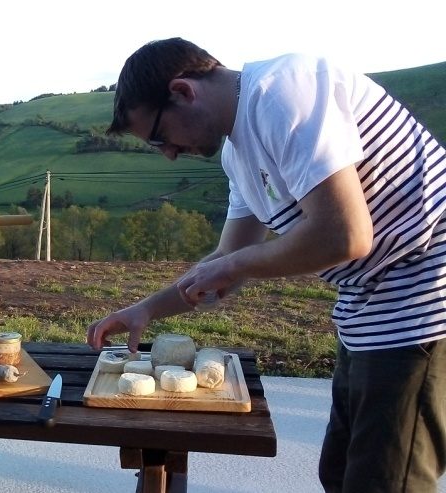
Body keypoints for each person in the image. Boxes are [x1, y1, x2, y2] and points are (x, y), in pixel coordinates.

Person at [87, 37, 446, 492]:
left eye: (160, 137)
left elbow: (347, 235)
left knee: (384, 481)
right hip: (368, 304)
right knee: (339, 474)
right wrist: (146, 311)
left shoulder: (282, 92)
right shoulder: (239, 154)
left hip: (424, 294)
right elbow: (223, 262)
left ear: (182, 91)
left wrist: (237, 265)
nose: (169, 153)